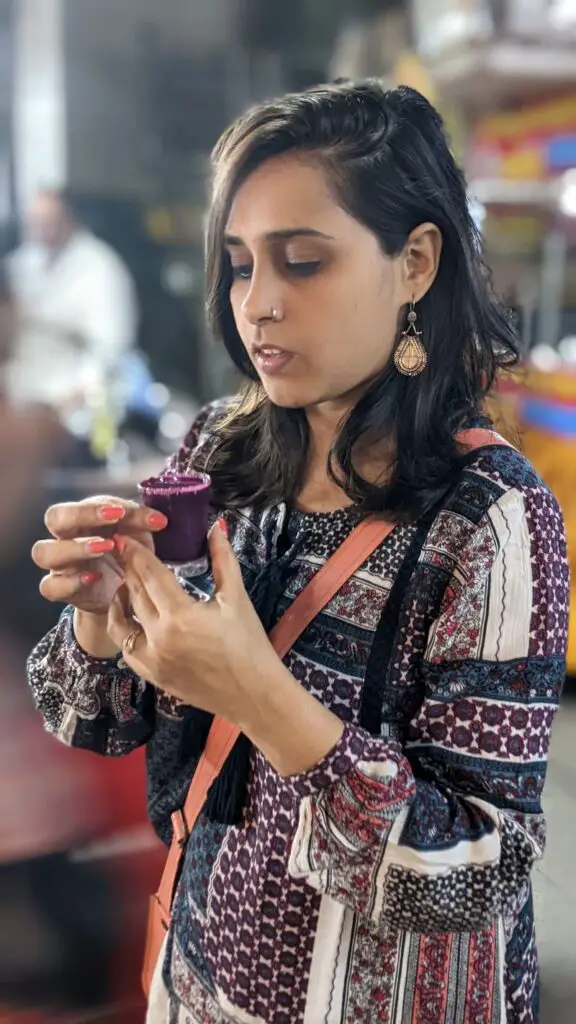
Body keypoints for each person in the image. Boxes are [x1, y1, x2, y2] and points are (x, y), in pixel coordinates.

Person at [27, 83, 568, 1024]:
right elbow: (94, 723)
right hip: (194, 976)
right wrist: (101, 618)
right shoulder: (219, 456)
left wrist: (259, 697)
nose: (259, 305)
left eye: (304, 262)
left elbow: (475, 875)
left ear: (416, 264)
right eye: (240, 266)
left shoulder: (493, 519)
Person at [5, 187, 137, 411]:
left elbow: (112, 344)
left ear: (68, 219)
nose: (41, 231)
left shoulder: (100, 267)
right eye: (35, 223)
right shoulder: (21, 263)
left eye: (48, 222)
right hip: (22, 392)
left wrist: (81, 389)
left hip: (72, 395)